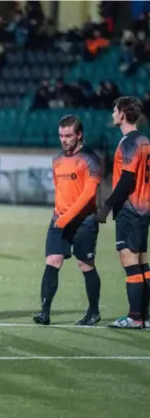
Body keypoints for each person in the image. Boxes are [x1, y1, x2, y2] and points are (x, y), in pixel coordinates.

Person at [33, 115, 103, 326]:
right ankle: (44, 312)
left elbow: (89, 194)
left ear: (79, 135)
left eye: (68, 136)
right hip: (60, 219)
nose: (64, 140)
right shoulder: (57, 160)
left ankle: (93, 311)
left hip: (84, 222)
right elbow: (60, 192)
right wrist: (59, 216)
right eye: (61, 136)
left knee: (85, 264)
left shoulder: (91, 159)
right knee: (52, 261)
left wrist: (67, 218)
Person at [96, 97, 150, 329]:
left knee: (130, 262)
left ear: (122, 115)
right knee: (142, 264)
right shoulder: (145, 140)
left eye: (114, 110)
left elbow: (127, 179)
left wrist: (107, 206)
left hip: (130, 209)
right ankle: (145, 317)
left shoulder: (128, 143)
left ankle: (135, 316)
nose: (112, 114)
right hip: (144, 208)